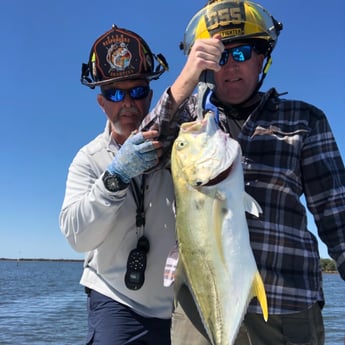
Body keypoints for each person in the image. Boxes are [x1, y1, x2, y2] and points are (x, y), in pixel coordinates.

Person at [140, 1, 345, 344]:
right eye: (220, 55)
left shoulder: (305, 120)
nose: (230, 66)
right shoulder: (188, 118)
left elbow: (336, 212)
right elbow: (141, 154)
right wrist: (186, 78)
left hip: (287, 307)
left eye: (243, 52)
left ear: (263, 56)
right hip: (201, 311)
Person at [59, 25, 176, 345]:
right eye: (114, 93)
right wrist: (115, 177)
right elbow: (77, 236)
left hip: (179, 306)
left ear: (150, 96)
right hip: (115, 299)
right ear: (101, 102)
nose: (126, 102)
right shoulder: (88, 158)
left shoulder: (179, 144)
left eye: (137, 91)